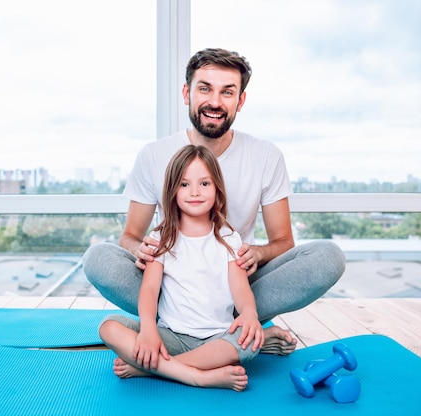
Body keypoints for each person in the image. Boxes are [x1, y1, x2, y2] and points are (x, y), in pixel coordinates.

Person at [84, 47, 346, 355]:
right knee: (98, 257)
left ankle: (235, 325)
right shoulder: (153, 155)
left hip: (237, 287)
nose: (215, 102)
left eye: (227, 92)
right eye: (205, 88)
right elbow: (128, 237)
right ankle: (224, 338)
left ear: (241, 100)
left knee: (328, 256)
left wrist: (255, 254)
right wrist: (139, 248)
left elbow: (283, 242)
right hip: (172, 285)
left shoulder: (266, 156)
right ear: (187, 93)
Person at [100, 144, 264, 391]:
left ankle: (153, 368)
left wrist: (249, 313)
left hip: (217, 337)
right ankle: (197, 376)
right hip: (171, 336)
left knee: (249, 343)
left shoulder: (229, 237)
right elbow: (149, 289)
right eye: (185, 184)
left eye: (204, 184)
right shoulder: (161, 238)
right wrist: (147, 331)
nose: (195, 192)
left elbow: (240, 288)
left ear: (217, 189)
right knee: (108, 327)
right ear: (172, 191)